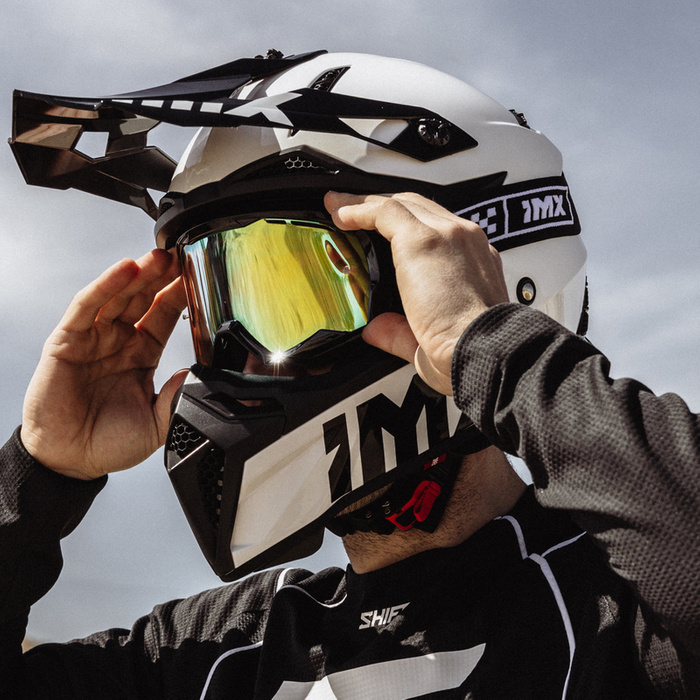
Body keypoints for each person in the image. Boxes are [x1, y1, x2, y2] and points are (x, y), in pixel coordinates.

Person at [3, 50, 698, 698]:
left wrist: (491, 346)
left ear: (466, 277)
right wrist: (41, 473)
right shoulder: (225, 651)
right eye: (221, 300)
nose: (243, 355)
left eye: (298, 297)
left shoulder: (618, 612)